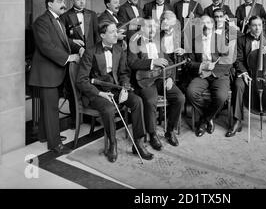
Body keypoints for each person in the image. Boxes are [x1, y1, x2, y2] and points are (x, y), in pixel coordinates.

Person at [77, 21, 153, 162]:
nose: (116, 34)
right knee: (109, 108)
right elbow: (81, 80)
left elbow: (124, 73)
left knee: (137, 101)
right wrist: (100, 93)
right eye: (112, 32)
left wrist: (125, 87)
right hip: (97, 92)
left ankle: (139, 143)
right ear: (102, 35)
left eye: (115, 31)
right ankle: (113, 143)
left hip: (116, 89)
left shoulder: (119, 49)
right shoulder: (90, 52)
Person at [28, 0, 81, 155]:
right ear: (49, 4)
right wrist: (69, 57)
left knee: (48, 107)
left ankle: (44, 135)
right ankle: (55, 143)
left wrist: (75, 44)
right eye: (59, 1)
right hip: (46, 73)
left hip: (54, 72)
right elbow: (47, 47)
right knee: (51, 109)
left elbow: (61, 40)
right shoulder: (41, 22)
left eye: (63, 1)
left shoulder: (58, 20)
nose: (63, 4)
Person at [226, 16, 266, 137]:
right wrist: (243, 73)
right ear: (249, 27)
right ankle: (237, 120)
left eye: (259, 25)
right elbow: (238, 60)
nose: (257, 28)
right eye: (254, 25)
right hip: (248, 72)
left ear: (262, 26)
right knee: (238, 86)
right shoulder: (241, 40)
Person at [128, 18, 185, 149]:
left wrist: (170, 77)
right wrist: (153, 62)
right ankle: (152, 133)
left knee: (180, 98)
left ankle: (169, 131)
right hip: (145, 80)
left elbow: (169, 62)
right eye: (149, 27)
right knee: (150, 101)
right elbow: (132, 63)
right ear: (142, 28)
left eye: (154, 27)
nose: (153, 30)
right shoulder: (134, 42)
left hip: (161, 78)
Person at [186, 15, 234, 137]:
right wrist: (203, 66)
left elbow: (228, 61)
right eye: (202, 22)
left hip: (219, 75)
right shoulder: (194, 41)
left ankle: (204, 120)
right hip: (202, 74)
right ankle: (209, 116)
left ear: (213, 25)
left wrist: (212, 71)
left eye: (208, 22)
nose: (205, 25)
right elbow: (190, 63)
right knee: (191, 92)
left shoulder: (221, 39)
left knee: (221, 97)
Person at [60, 0, 100, 128]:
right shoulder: (65, 16)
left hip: (90, 57)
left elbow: (96, 36)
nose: (82, 1)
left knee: (88, 85)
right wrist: (77, 49)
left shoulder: (92, 14)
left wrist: (96, 54)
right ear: (72, 0)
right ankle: (75, 118)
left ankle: (88, 116)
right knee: (73, 87)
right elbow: (64, 39)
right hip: (76, 57)